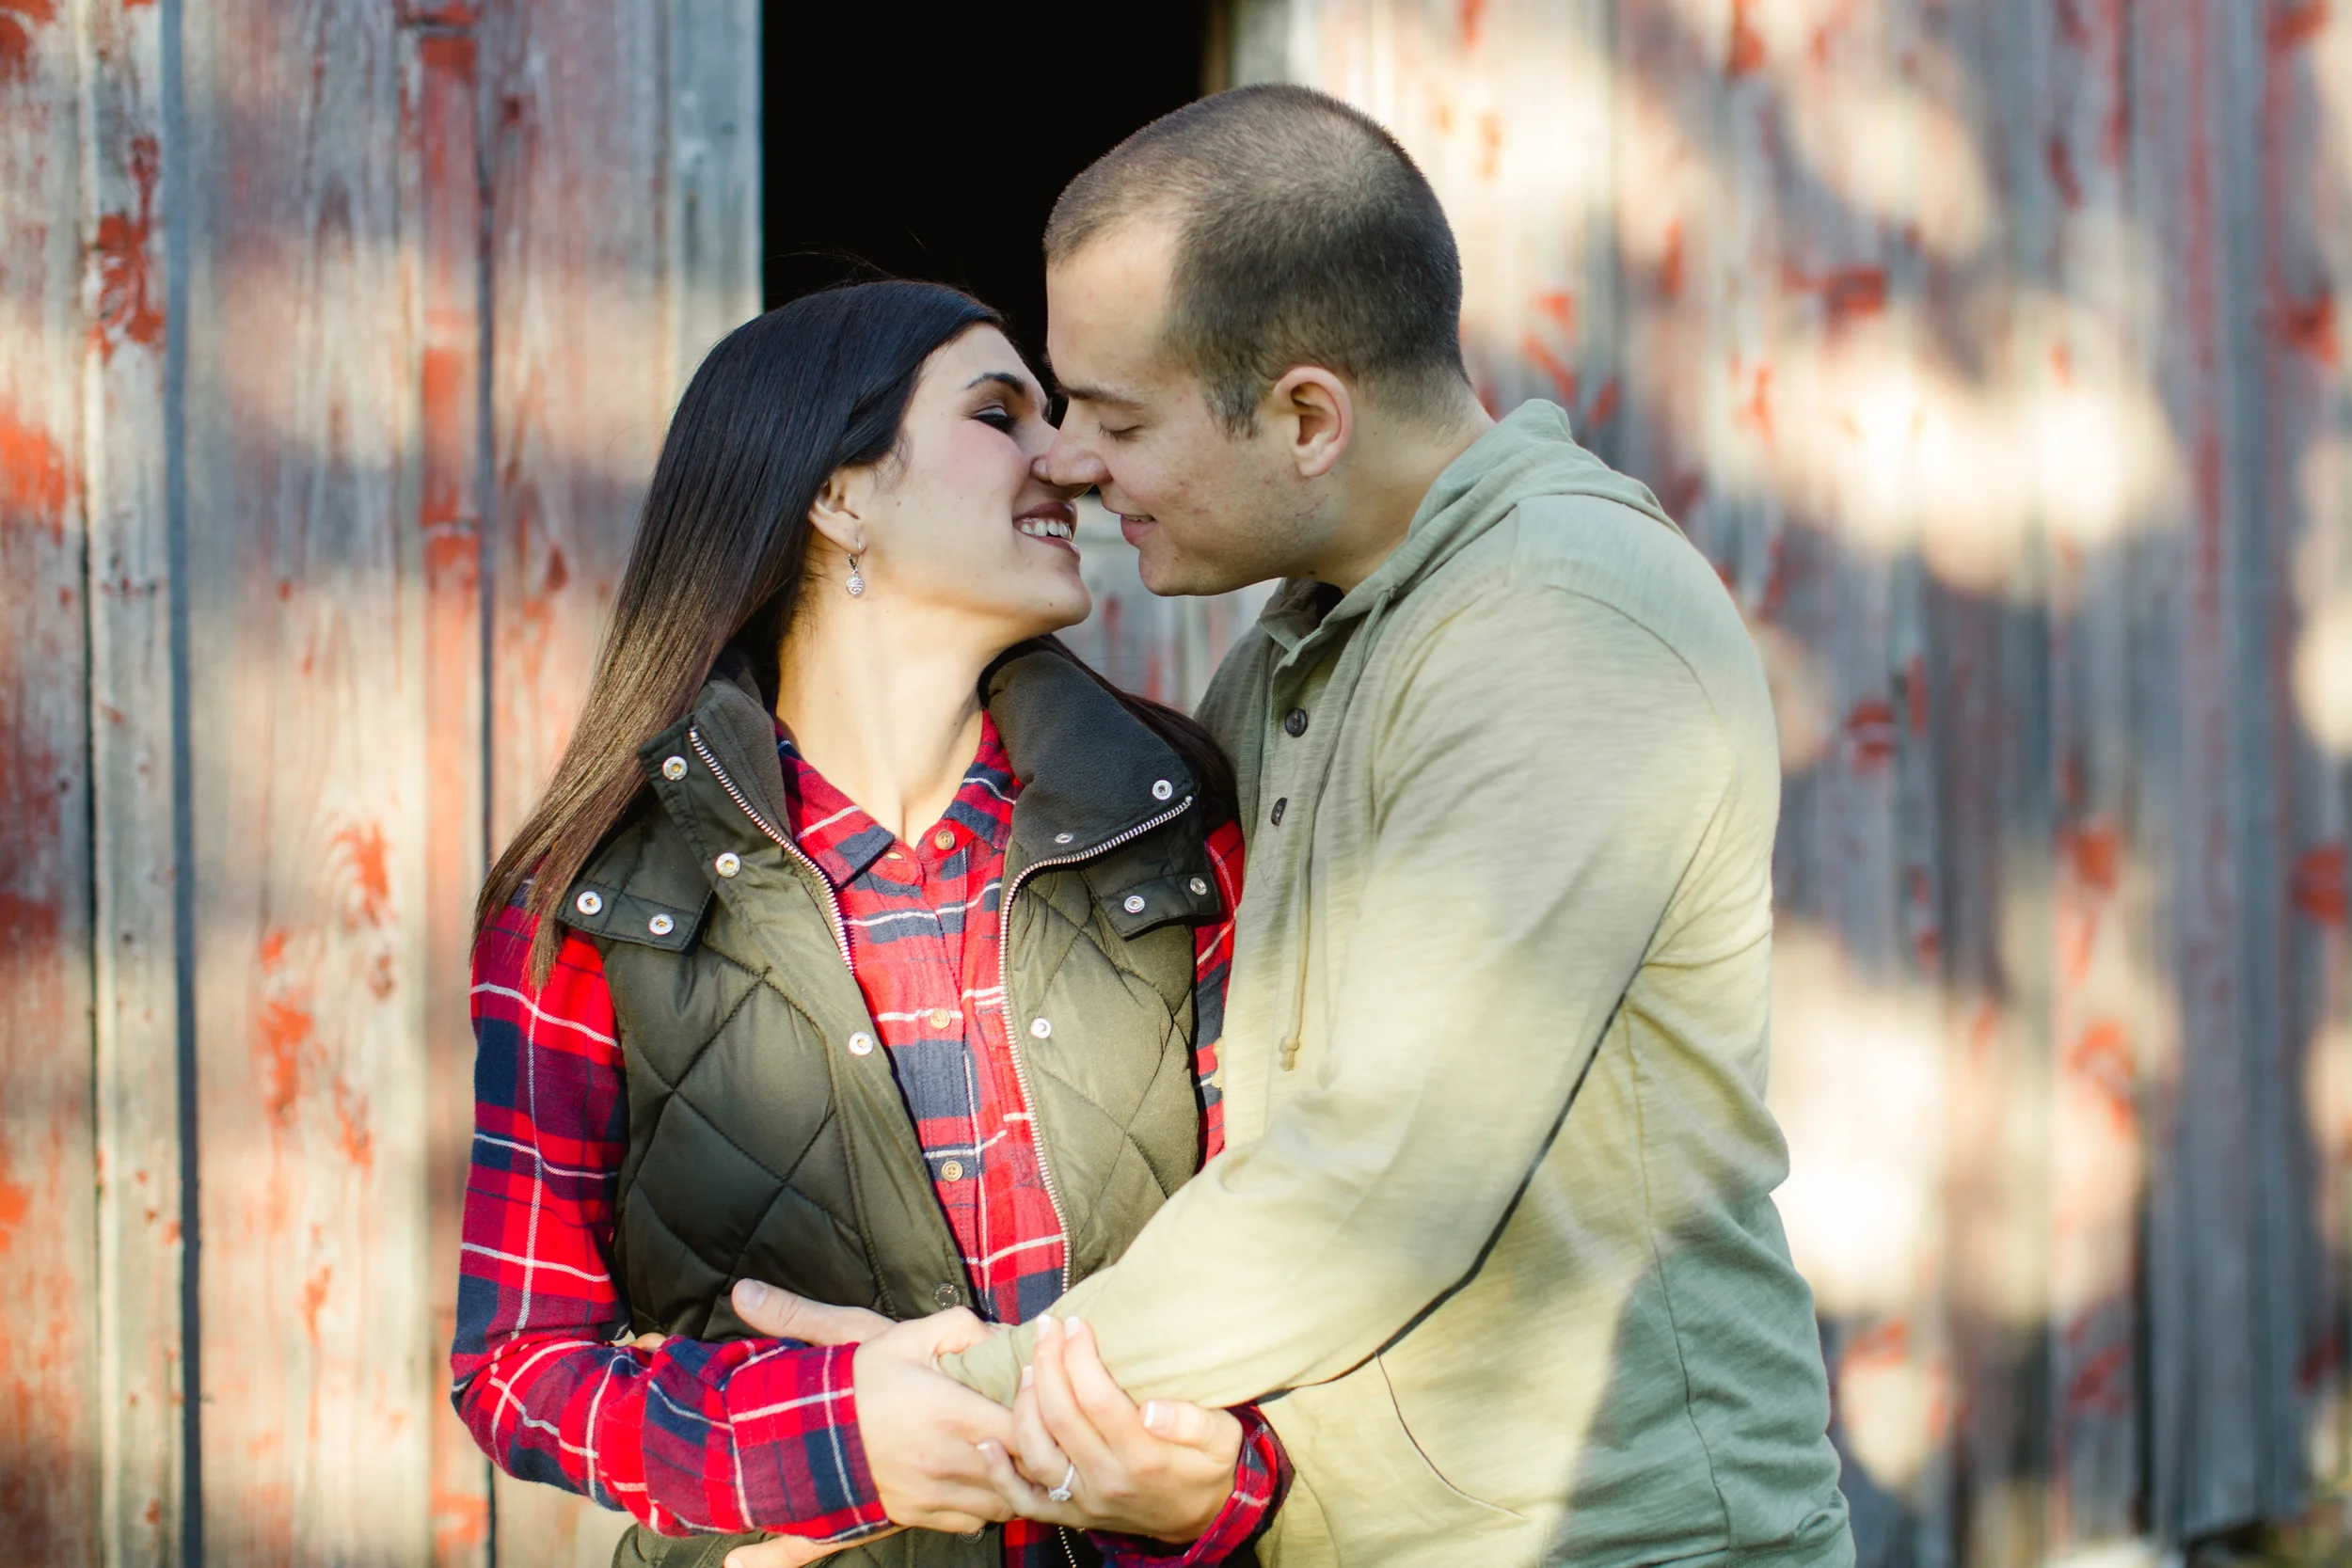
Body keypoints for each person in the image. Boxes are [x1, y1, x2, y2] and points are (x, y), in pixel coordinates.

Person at [738, 83, 1855, 1568]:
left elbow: (1374, 1181)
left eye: (1117, 417)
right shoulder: (1289, 654)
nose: (1068, 459)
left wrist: (933, 1419)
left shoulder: (1562, 627)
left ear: (1308, 417)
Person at [449, 280, 1290, 1568]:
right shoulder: (594, 905)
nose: (1066, 455)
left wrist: (1213, 1491)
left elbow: (1301, 1244)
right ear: (837, 495)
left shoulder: (1175, 832)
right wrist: (832, 1440)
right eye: (999, 411)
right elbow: (517, 1363)